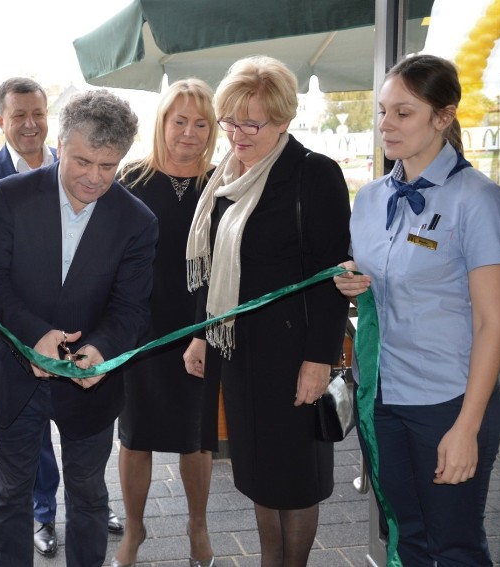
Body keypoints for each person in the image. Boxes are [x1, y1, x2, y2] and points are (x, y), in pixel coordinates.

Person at [0, 89, 157, 567]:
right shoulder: (8, 196)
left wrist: (101, 350)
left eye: (108, 166)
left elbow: (131, 308)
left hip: (90, 383)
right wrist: (34, 336)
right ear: (61, 144)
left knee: (89, 497)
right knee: (11, 494)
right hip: (14, 372)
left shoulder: (137, 221)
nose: (94, 178)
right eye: (83, 161)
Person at [182, 55, 350, 567]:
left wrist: (319, 360)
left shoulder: (314, 175)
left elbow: (331, 279)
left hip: (295, 355)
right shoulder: (224, 178)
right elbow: (210, 272)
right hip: (239, 353)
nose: (236, 133)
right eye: (229, 120)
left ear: (283, 120)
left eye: (250, 122)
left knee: (296, 483)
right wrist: (199, 335)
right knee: (257, 475)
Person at [334, 54, 500, 566]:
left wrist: (467, 427)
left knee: (454, 545)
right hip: (382, 395)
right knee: (406, 537)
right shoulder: (369, 199)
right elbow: (380, 286)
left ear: (443, 116)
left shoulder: (477, 199)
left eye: (403, 113)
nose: (386, 124)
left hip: (448, 400)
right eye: (382, 111)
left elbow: (492, 321)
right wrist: (352, 282)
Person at [112, 78, 218, 567]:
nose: (189, 133)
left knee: (196, 438)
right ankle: (134, 530)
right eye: (180, 121)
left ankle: (198, 527)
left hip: (201, 326)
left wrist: (204, 331)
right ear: (162, 124)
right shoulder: (129, 181)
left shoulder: (223, 186)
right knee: (135, 435)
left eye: (201, 123)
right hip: (141, 330)